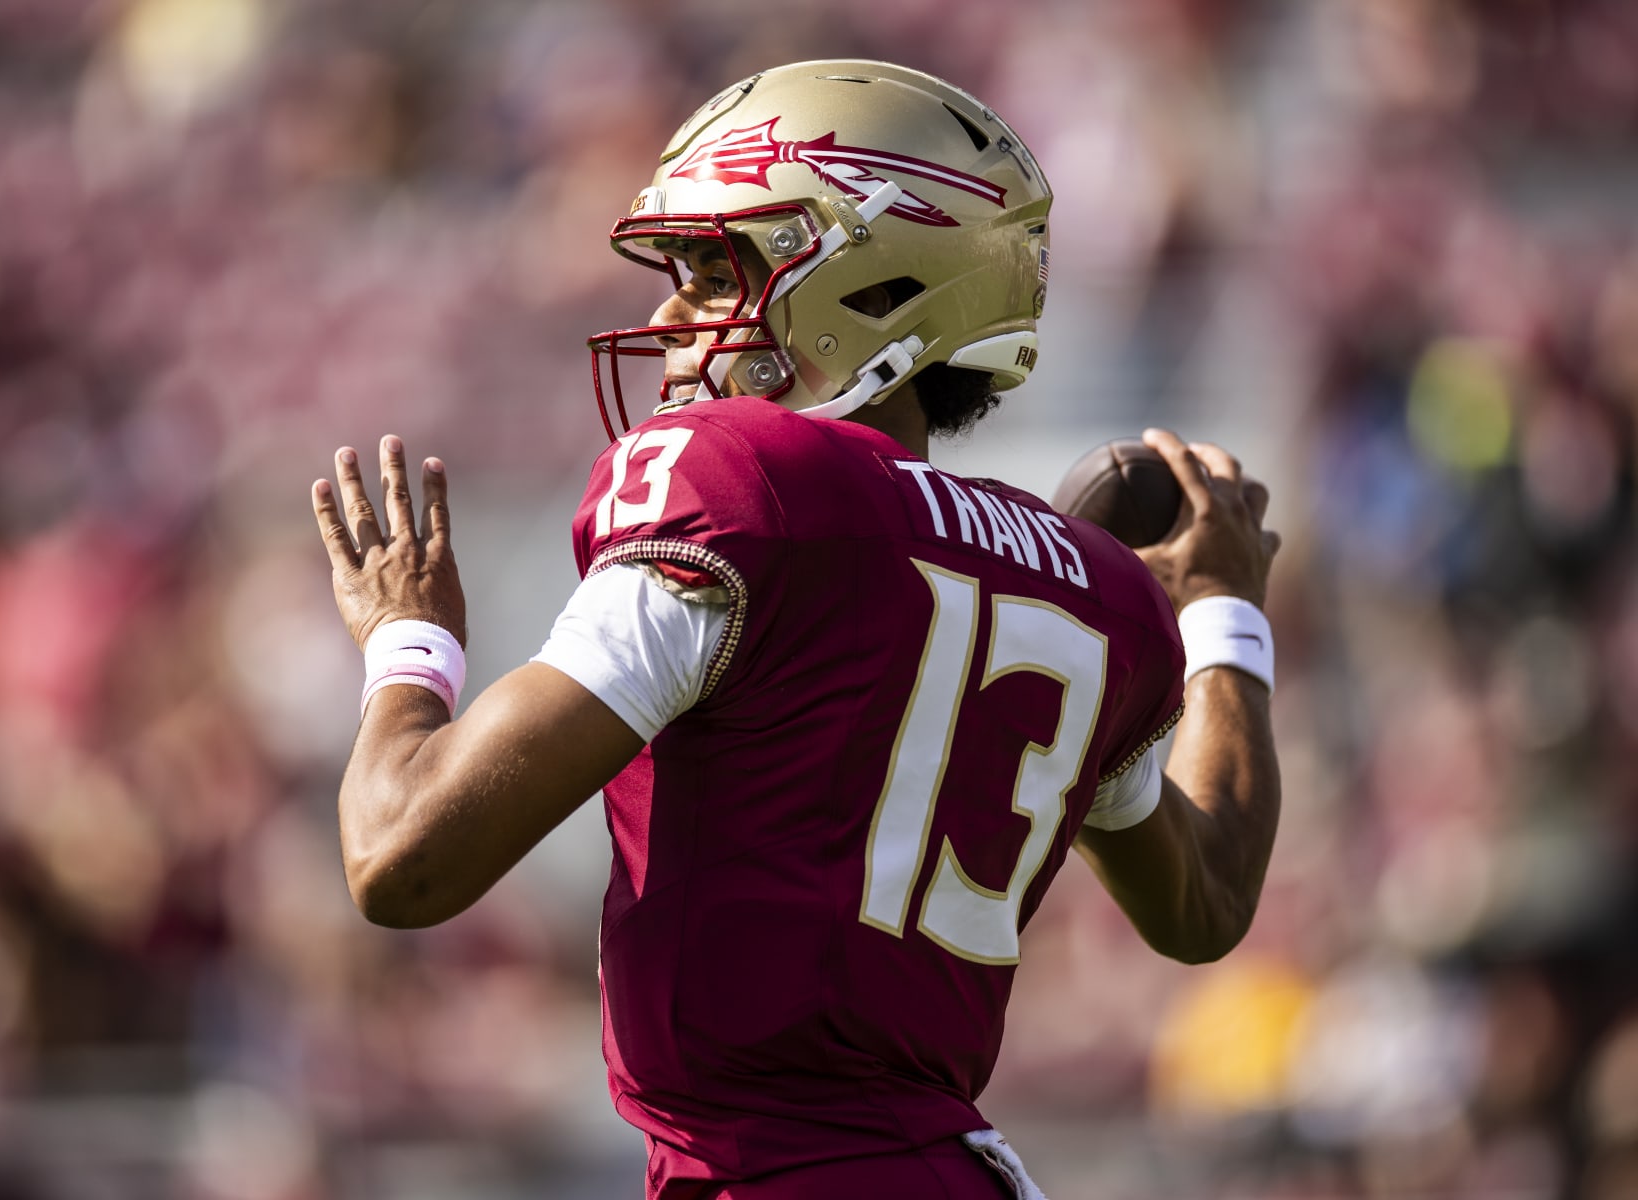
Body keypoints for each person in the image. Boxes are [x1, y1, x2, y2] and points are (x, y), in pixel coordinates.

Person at [310, 60, 1281, 1200]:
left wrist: (408, 641)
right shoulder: (1091, 585)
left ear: (874, 285)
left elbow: (404, 857)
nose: (671, 319)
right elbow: (1206, 900)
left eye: (714, 271)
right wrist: (1225, 617)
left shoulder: (747, 489)